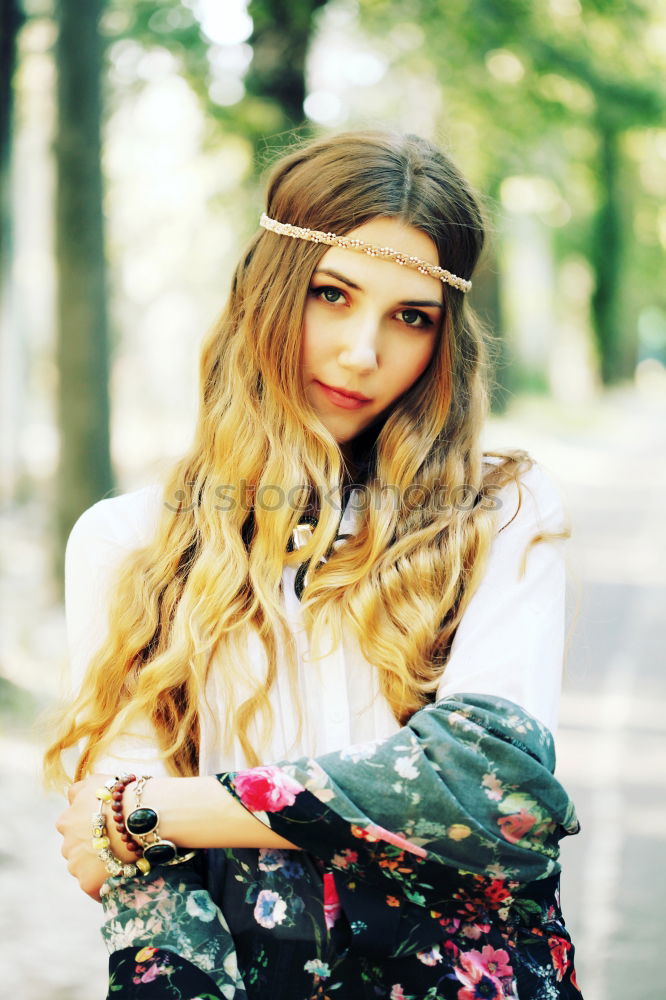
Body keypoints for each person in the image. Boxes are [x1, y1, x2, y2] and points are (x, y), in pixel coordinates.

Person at [45, 128, 583, 999]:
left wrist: (160, 811)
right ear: (269, 291)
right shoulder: (127, 541)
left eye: (412, 316)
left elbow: (492, 790)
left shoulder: (498, 511)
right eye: (332, 294)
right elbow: (137, 886)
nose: (363, 352)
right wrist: (137, 827)